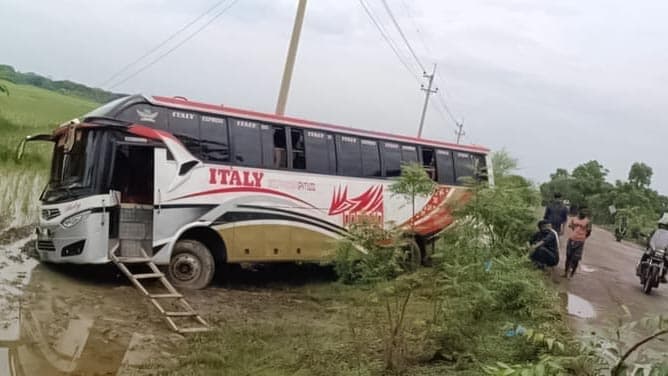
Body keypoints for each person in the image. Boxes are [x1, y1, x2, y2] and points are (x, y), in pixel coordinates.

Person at [637, 214, 668, 282]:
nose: (664, 227)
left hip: (662, 252)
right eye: (662, 225)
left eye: (665, 226)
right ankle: (640, 269)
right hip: (653, 249)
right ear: (660, 224)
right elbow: (650, 238)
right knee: (645, 255)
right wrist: (647, 239)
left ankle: (663, 275)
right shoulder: (655, 231)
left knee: (667, 261)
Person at [564, 209, 592, 278]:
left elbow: (589, 232)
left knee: (576, 258)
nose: (583, 214)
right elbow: (571, 226)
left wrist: (583, 237)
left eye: (584, 213)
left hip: (580, 241)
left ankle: (572, 274)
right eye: (582, 212)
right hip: (571, 239)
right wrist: (575, 232)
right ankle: (566, 272)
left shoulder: (588, 222)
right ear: (579, 213)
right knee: (568, 256)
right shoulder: (574, 219)